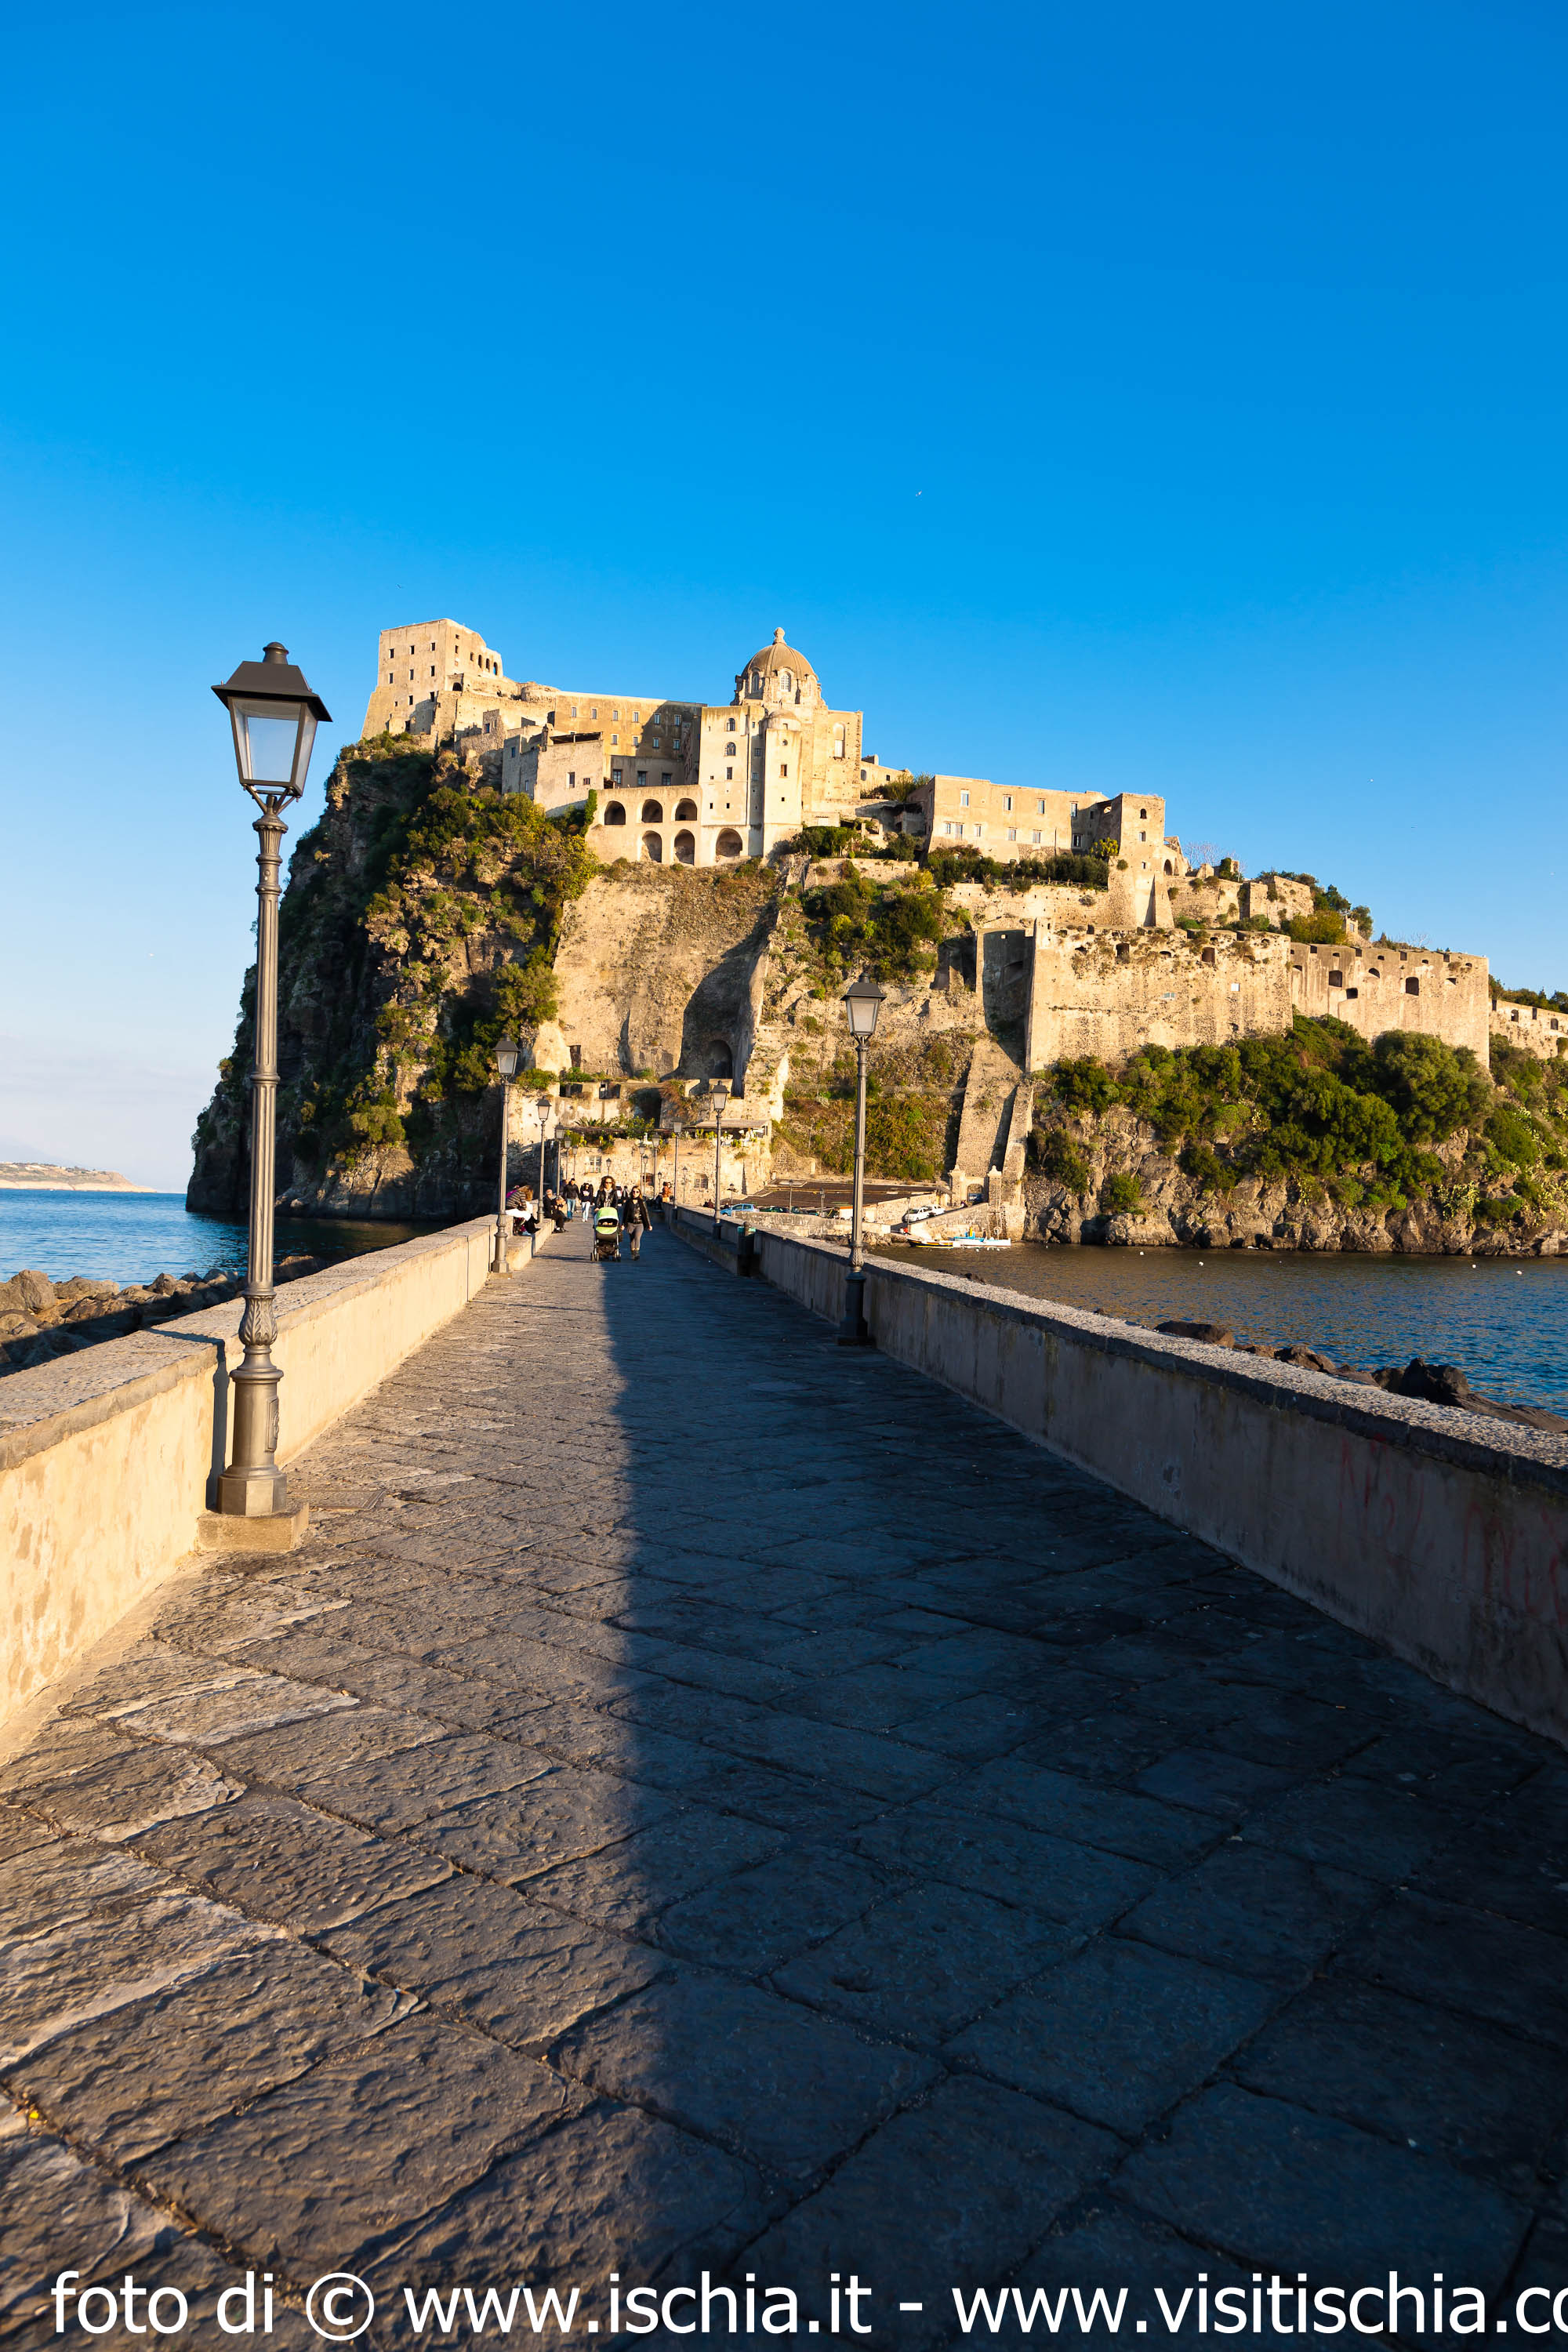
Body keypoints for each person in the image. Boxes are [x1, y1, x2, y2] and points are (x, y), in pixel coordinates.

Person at [625, 1183, 652, 1261]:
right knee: (632, 1239)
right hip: (630, 1223)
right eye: (634, 1192)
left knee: (637, 1237)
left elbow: (646, 1213)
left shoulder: (642, 1202)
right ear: (631, 1192)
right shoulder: (628, 1202)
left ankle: (637, 1253)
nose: (635, 1193)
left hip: (640, 1223)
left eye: (637, 1192)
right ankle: (633, 1253)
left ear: (639, 1193)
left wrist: (649, 1225)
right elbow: (625, 1213)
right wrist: (623, 1224)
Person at [592, 1193, 622, 1261]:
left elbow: (615, 1201)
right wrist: (597, 1207)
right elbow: (597, 1201)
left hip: (612, 1214)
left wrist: (615, 1209)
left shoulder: (614, 1192)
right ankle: (602, 1253)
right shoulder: (601, 1192)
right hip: (601, 1214)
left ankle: (607, 1252)